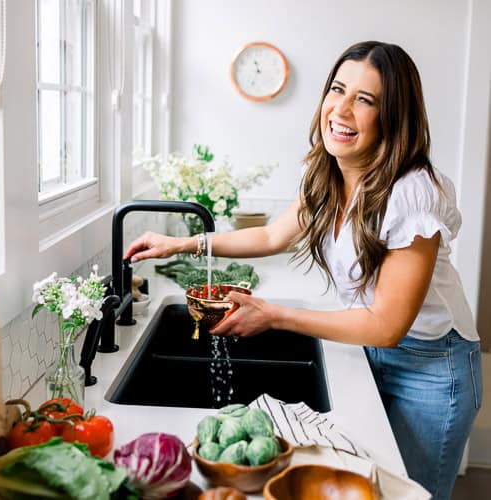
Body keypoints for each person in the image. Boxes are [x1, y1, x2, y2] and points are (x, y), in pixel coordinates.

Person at [124, 41, 482, 500]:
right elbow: (273, 236)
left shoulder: (412, 192)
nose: (342, 109)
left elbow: (389, 325)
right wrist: (186, 242)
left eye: (365, 100)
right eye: (338, 89)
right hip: (368, 351)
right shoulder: (329, 173)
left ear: (394, 118)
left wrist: (273, 315)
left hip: (432, 370)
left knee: (408, 495)